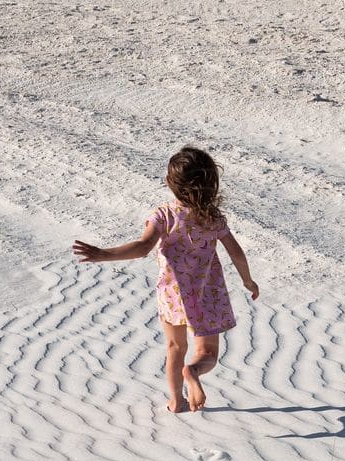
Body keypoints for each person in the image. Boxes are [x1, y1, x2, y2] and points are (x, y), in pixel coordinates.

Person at [72, 145, 258, 412]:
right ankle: (193, 372)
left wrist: (103, 254)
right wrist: (248, 281)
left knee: (175, 347)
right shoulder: (213, 218)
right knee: (207, 354)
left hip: (173, 296)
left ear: (171, 184)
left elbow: (142, 247)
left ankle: (177, 400)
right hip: (209, 294)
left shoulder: (164, 215)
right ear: (211, 183)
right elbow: (237, 253)